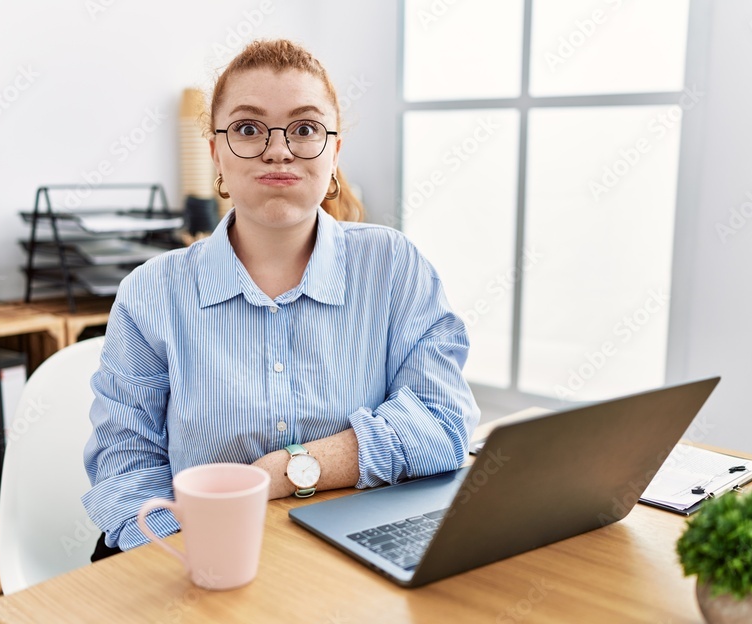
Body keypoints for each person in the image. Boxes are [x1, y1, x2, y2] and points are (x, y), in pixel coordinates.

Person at [82, 39, 480, 560]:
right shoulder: (150, 294)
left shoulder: (394, 265)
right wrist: (189, 553)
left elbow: (442, 423)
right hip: (204, 553)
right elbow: (126, 469)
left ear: (334, 152)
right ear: (215, 153)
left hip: (355, 554)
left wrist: (284, 471)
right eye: (248, 128)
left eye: (305, 129)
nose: (279, 149)